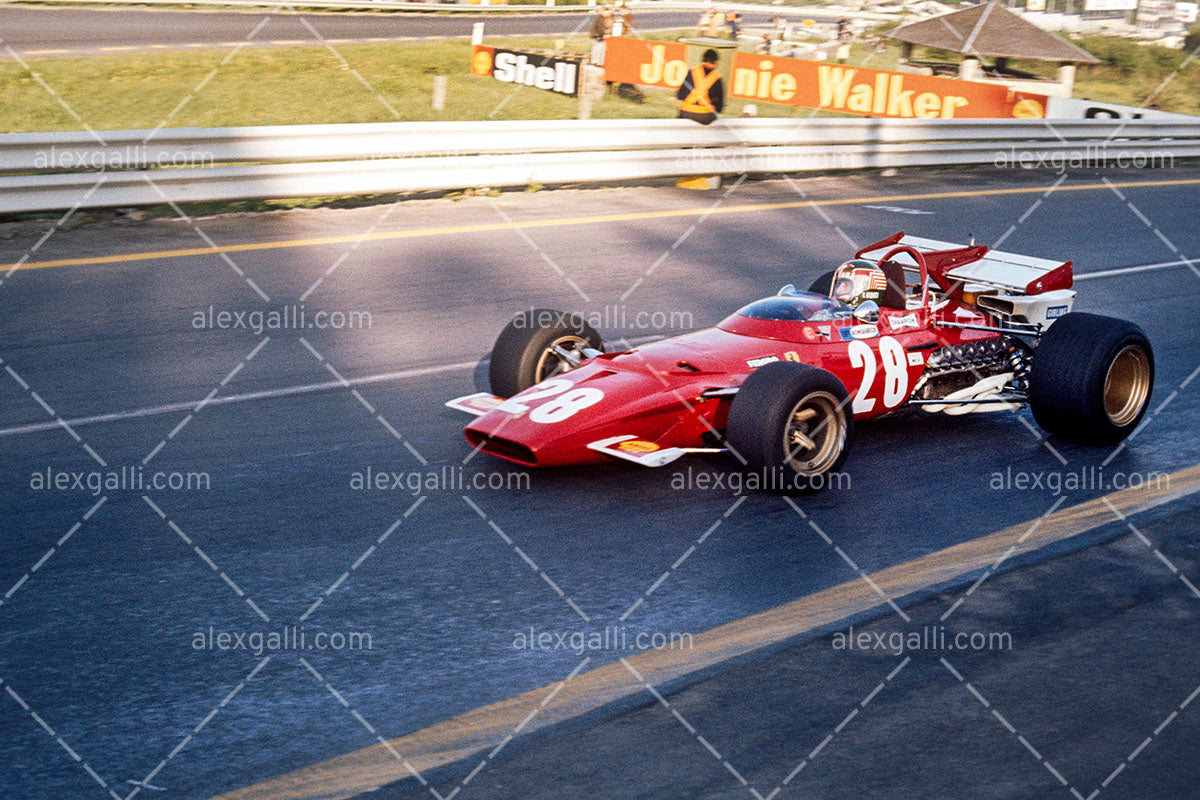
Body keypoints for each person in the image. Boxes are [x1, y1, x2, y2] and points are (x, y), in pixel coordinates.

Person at [676, 48, 725, 125]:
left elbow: (680, 95)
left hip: (686, 113)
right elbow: (720, 107)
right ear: (716, 61)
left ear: (703, 59)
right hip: (706, 116)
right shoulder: (717, 78)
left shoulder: (692, 72)